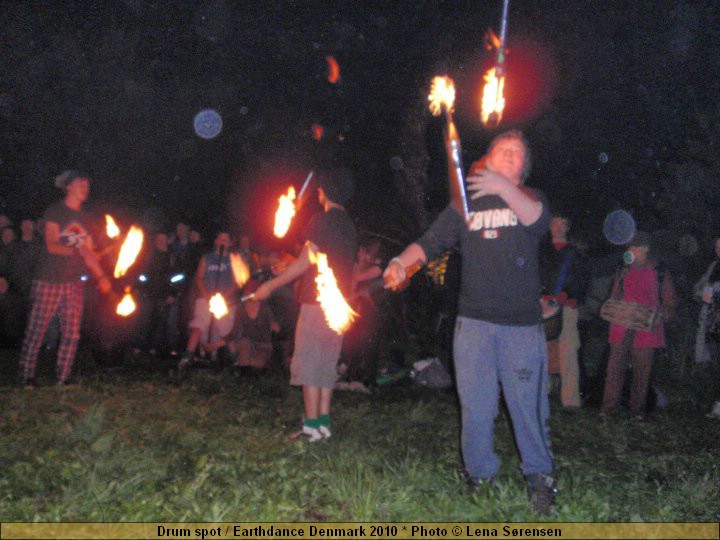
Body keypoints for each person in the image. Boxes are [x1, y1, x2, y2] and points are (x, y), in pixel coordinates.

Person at [383, 130, 556, 514]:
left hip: (520, 327)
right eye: (501, 151)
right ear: (488, 160)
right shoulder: (465, 205)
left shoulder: (532, 199)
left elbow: (539, 220)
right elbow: (429, 243)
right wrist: (401, 262)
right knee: (475, 406)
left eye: (516, 154)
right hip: (474, 324)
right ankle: (479, 476)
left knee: (527, 405)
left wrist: (502, 186)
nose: (509, 156)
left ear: (522, 168)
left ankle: (540, 479)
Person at [253, 169, 357, 442]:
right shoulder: (349, 225)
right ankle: (323, 425)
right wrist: (288, 266)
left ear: (326, 192)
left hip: (316, 303)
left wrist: (268, 286)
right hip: (339, 307)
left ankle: (311, 428)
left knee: (310, 363)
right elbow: (327, 261)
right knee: (325, 364)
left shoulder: (321, 221)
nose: (318, 193)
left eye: (321, 190)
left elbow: (304, 263)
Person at [18, 171, 111, 387]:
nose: (85, 188)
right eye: (81, 184)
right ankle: (27, 376)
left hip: (73, 282)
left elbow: (87, 253)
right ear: (68, 187)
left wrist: (102, 277)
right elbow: (52, 245)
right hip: (49, 279)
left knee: (71, 332)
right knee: (37, 330)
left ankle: (63, 377)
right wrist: (80, 251)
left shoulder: (85, 217)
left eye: (88, 185)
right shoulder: (55, 211)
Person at [599, 231, 676, 421]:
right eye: (630, 247)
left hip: (647, 330)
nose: (632, 250)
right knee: (614, 369)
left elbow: (670, 301)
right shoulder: (622, 270)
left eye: (636, 247)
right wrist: (612, 309)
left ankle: (637, 412)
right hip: (621, 327)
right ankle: (608, 409)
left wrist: (661, 316)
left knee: (642, 372)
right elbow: (614, 295)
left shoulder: (659, 271)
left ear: (645, 249)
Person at [539, 211, 589, 408]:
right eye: (555, 222)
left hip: (567, 308)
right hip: (542, 307)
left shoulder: (576, 255)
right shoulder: (540, 250)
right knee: (541, 352)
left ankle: (570, 401)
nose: (558, 226)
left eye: (562, 223)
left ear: (568, 227)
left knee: (568, 350)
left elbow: (582, 280)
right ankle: (542, 394)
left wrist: (568, 296)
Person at [177, 231, 238, 376]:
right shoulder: (207, 258)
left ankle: (236, 362)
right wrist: (207, 296)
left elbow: (236, 283)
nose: (223, 241)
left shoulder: (232, 260)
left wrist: (222, 297)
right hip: (205, 298)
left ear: (230, 243)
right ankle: (186, 359)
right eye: (220, 238)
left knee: (225, 330)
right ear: (216, 241)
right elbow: (199, 278)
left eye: (226, 239)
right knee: (199, 325)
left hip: (225, 301)